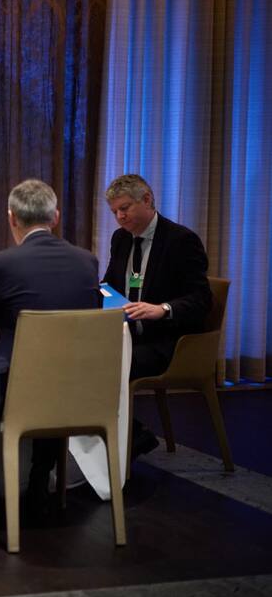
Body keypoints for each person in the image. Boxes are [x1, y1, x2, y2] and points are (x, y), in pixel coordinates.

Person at [0, 179, 101, 521]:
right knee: (51, 374)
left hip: (18, 392)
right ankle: (37, 486)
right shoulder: (87, 262)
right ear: (56, 217)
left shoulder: (0, 265)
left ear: (12, 218)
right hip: (80, 391)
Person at [102, 174, 212, 457]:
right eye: (114, 211)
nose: (119, 217)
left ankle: (122, 445)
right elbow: (111, 285)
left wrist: (162, 309)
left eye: (124, 208)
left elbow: (201, 300)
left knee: (106, 366)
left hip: (168, 342)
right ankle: (126, 437)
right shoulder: (121, 239)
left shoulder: (181, 240)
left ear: (147, 200)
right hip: (128, 335)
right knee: (81, 358)